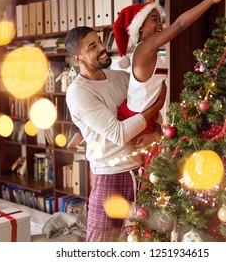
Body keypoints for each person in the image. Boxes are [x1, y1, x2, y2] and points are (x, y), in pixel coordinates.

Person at [64, 26, 166, 242]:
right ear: (78, 58)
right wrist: (153, 109)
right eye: (93, 46)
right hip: (110, 177)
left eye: (100, 41)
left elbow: (153, 111)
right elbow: (119, 134)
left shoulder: (121, 77)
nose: (103, 47)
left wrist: (156, 131)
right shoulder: (78, 92)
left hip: (142, 172)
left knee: (143, 241)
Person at [113, 0, 226, 152]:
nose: (160, 23)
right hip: (137, 118)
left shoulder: (148, 50)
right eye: (154, 19)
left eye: (160, 19)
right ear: (140, 27)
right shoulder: (145, 47)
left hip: (147, 117)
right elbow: (179, 25)